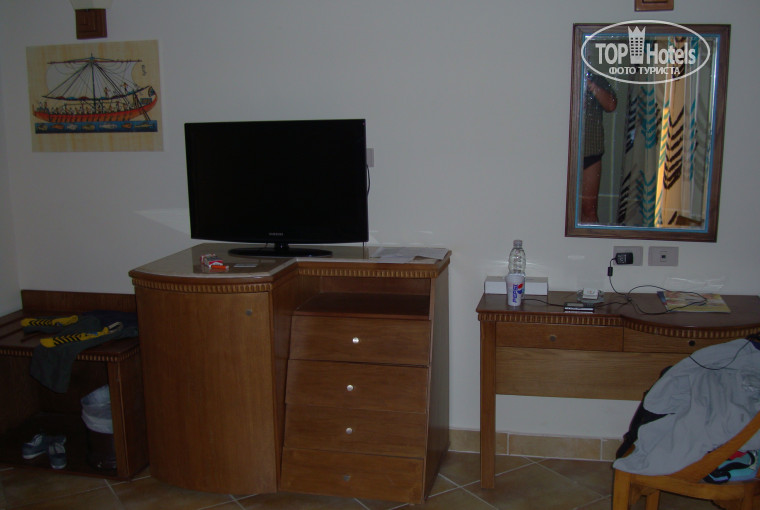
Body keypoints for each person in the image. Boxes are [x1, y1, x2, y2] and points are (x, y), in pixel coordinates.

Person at [580, 72, 617, 223]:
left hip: (590, 153)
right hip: (560, 154)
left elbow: (611, 105)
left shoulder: (597, 79)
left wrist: (589, 84)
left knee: (589, 210)